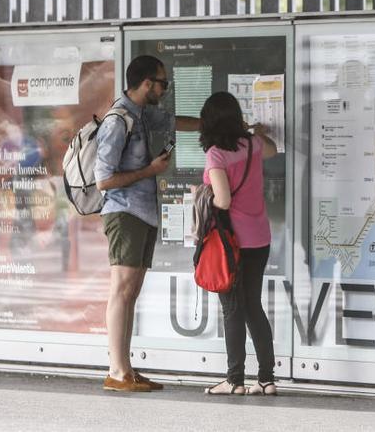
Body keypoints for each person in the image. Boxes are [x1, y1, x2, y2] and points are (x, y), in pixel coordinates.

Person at [96, 55, 200, 392]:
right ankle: (116, 371)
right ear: (146, 84)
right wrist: (149, 171)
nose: (164, 90)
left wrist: (219, 124)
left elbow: (174, 121)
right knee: (121, 290)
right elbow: (103, 180)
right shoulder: (118, 120)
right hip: (124, 212)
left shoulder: (141, 114)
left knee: (131, 293)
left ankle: (125, 367)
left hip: (142, 212)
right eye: (162, 83)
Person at [199, 92, 278, 396]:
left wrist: (203, 194)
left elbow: (223, 199)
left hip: (232, 244)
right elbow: (271, 149)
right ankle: (267, 379)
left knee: (232, 309)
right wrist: (252, 132)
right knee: (252, 307)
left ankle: (234, 381)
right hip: (260, 238)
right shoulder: (253, 145)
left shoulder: (216, 154)